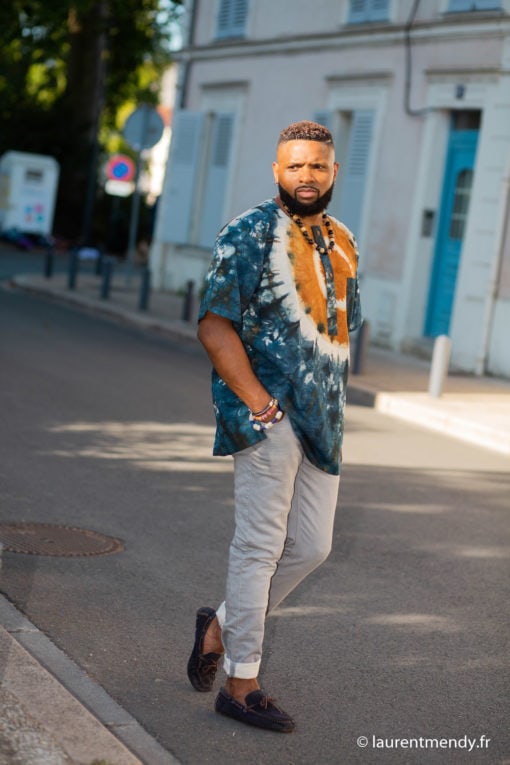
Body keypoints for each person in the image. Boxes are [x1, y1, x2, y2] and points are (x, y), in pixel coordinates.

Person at [187, 120, 362, 733]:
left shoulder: (343, 242)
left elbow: (344, 328)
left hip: (326, 424)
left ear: (333, 171)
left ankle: (218, 630)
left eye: (317, 165)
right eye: (295, 166)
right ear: (276, 171)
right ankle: (241, 683)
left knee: (313, 546)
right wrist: (260, 404)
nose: (306, 177)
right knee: (259, 547)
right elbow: (214, 325)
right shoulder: (249, 232)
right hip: (267, 415)